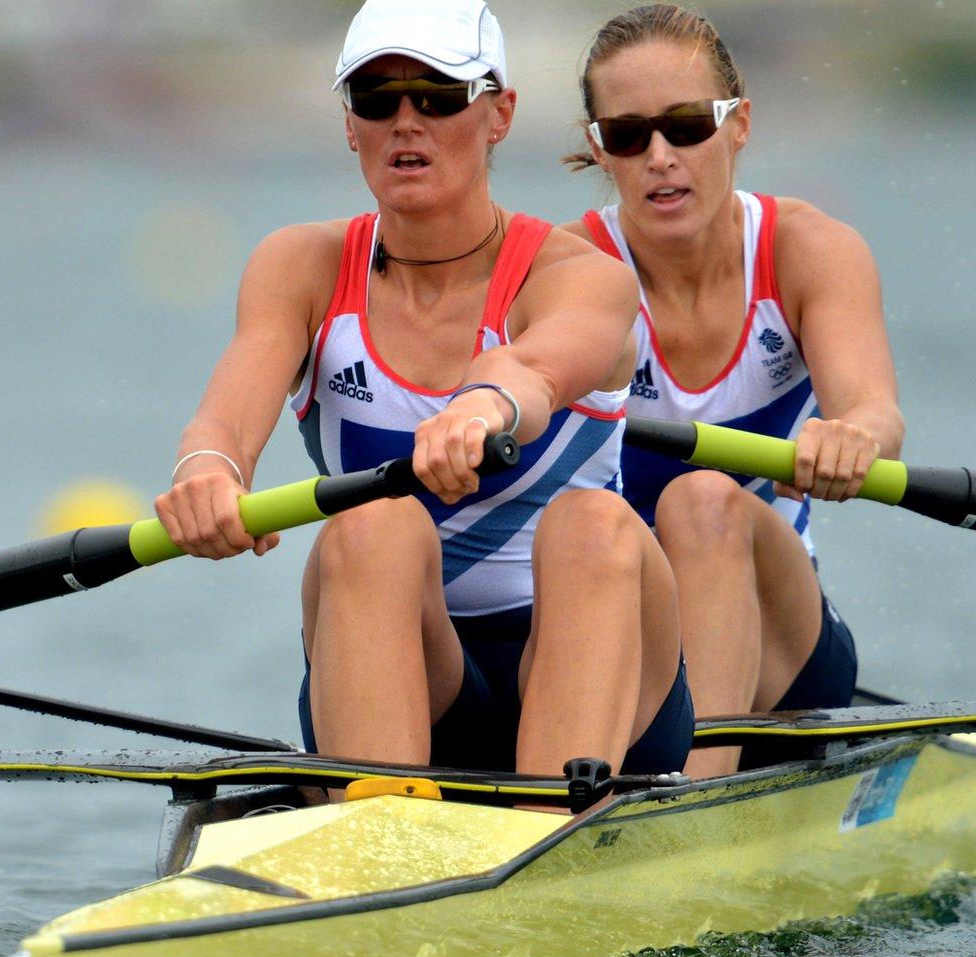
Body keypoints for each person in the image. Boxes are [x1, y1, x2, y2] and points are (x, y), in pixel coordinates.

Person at [154, 0, 693, 784]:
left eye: (439, 97)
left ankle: (551, 823)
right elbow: (225, 422)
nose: (407, 122)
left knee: (594, 523)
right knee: (371, 524)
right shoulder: (300, 267)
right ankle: (379, 835)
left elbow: (535, 370)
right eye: (378, 100)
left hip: (613, 687)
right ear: (350, 125)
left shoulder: (583, 276)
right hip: (416, 668)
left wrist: (484, 405)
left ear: (500, 114)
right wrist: (205, 473)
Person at [560, 4, 906, 776]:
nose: (659, 156)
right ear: (600, 149)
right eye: (628, 134)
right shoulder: (571, 273)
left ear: (739, 124)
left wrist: (852, 437)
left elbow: (875, 413)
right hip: (632, 648)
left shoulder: (809, 251)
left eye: (687, 125)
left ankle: (695, 806)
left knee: (703, 501)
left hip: (786, 653)